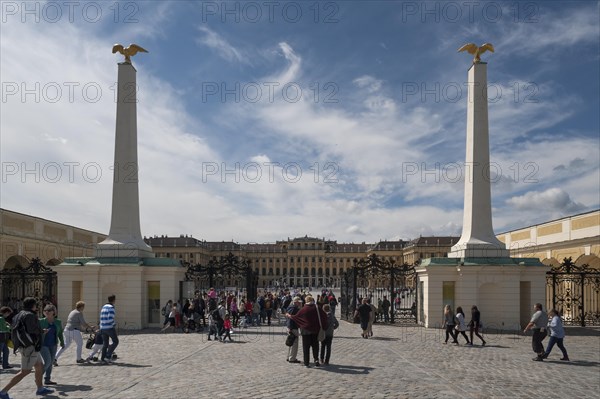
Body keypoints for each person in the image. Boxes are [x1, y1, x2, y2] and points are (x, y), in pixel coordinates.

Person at [0, 297, 54, 399]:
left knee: (39, 366)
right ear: (33, 305)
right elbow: (32, 330)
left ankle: (40, 388)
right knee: (25, 371)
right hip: (29, 347)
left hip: (28, 346)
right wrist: (42, 331)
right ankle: (3, 392)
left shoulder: (19, 314)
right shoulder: (29, 315)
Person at [285, 295, 328, 368]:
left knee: (306, 347)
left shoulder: (304, 309)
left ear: (306, 301)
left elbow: (296, 317)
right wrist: (323, 326)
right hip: (315, 330)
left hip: (305, 331)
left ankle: (306, 362)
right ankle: (316, 360)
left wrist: (289, 316)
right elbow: (324, 315)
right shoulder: (317, 307)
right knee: (315, 345)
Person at [39, 304, 64, 385]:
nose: (47, 312)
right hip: (43, 344)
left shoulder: (58, 321)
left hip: (53, 344)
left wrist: (62, 342)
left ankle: (47, 379)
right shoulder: (40, 321)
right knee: (48, 361)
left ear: (54, 312)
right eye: (45, 310)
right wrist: (42, 331)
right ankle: (38, 377)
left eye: (49, 310)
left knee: (51, 361)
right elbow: (36, 332)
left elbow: (60, 333)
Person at [99, 295, 119, 364]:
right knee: (116, 341)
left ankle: (103, 359)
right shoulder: (111, 308)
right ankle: (108, 356)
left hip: (102, 327)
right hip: (109, 327)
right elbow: (110, 319)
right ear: (113, 300)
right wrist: (114, 324)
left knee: (105, 344)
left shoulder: (103, 307)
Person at [285, 297, 302, 364]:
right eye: (299, 302)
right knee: (294, 344)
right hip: (293, 327)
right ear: (296, 302)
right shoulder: (295, 309)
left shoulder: (290, 307)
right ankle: (292, 358)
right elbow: (292, 318)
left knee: (290, 342)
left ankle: (288, 356)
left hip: (289, 327)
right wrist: (291, 328)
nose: (300, 303)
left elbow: (287, 316)